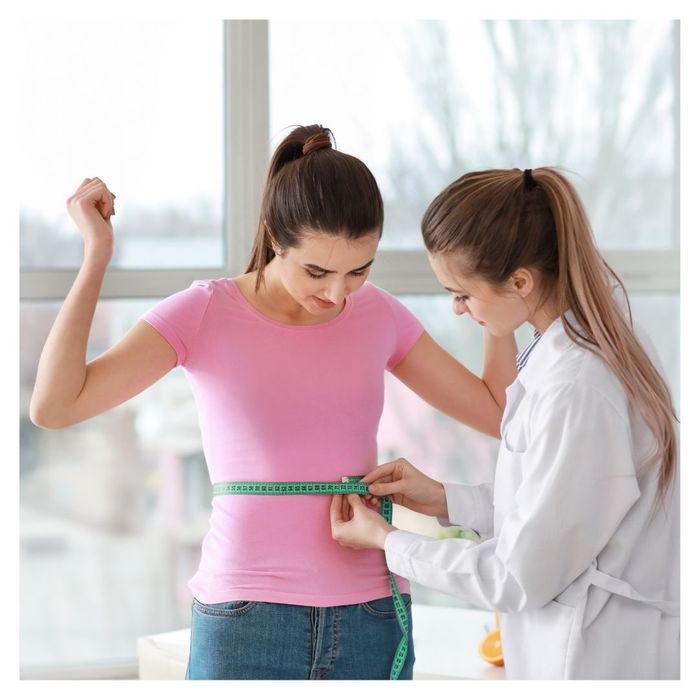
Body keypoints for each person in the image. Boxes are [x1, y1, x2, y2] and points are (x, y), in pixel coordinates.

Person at [29, 125, 517, 680]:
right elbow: (56, 405)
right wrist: (97, 255)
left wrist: (493, 289)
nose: (336, 295)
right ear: (274, 236)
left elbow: (499, 412)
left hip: (371, 615)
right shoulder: (204, 313)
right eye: (316, 271)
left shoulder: (378, 314)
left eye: (358, 271)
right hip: (245, 618)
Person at [330, 167, 680, 680]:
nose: (456, 308)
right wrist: (444, 498)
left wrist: (389, 542)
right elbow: (559, 510)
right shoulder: (580, 349)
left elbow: (518, 575)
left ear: (520, 281)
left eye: (463, 294)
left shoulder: (577, 386)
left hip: (594, 659)